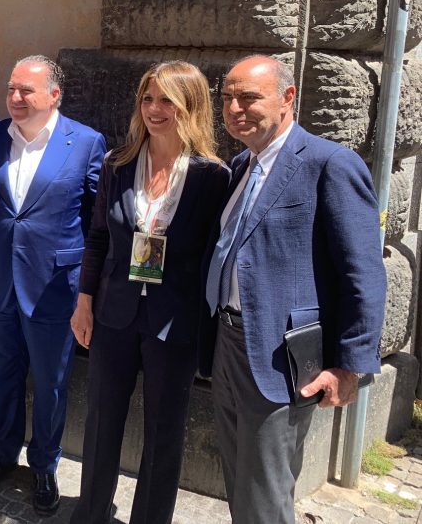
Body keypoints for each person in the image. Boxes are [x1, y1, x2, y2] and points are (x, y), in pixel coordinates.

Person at [204, 55, 386, 524]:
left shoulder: (330, 164)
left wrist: (351, 365)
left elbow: (362, 273)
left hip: (278, 356)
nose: (235, 109)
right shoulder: (243, 163)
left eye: (249, 97)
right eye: (228, 98)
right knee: (239, 479)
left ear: (288, 98)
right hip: (227, 342)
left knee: (265, 490)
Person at [68, 62, 229, 524]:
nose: (155, 110)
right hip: (114, 314)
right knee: (101, 421)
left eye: (168, 101)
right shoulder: (117, 164)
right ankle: (90, 513)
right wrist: (85, 302)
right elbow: (98, 237)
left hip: (173, 323)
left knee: (164, 433)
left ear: (191, 107)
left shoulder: (211, 176)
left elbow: (212, 259)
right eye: (148, 98)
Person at [0, 55, 106, 515]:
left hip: (54, 285)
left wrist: (88, 286)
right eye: (11, 89)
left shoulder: (84, 141)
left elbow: (97, 219)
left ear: (54, 95)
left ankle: (44, 464)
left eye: (27, 90)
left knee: (51, 382)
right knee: (2, 375)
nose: (16, 98)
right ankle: (1, 454)